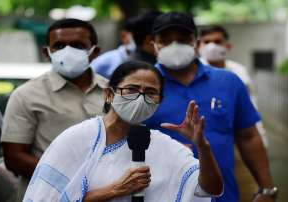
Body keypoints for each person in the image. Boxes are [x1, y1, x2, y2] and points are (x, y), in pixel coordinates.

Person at [23, 61, 224, 202]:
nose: (140, 98)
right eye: (132, 89)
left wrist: (202, 146)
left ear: (159, 101)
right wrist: (115, 190)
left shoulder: (164, 146)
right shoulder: (78, 139)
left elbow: (210, 190)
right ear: (109, 94)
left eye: (150, 93)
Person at [144, 12, 278, 202]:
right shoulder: (142, 86)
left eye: (182, 40)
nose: (174, 46)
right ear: (154, 45)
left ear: (194, 42)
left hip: (223, 197)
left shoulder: (228, 82)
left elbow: (248, 137)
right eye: (165, 40)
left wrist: (266, 189)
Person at [1, 18, 108, 201]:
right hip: (48, 196)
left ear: (94, 52)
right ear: (47, 52)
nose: (68, 52)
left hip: (107, 193)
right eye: (59, 46)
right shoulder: (26, 95)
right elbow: (14, 158)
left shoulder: (113, 91)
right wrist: (75, 178)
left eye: (77, 45)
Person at [198, 25, 268, 146]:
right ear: (199, 46)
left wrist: (260, 137)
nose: (212, 46)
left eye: (217, 41)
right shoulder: (192, 73)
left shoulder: (239, 71)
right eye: (207, 42)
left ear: (228, 46)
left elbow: (250, 104)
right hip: (203, 138)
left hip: (238, 139)